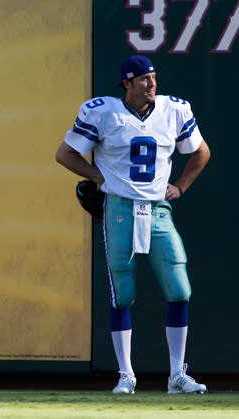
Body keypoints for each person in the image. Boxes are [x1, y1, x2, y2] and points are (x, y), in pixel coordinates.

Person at [55, 55, 210, 394]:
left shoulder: (173, 109)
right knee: (122, 294)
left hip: (157, 210)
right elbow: (65, 154)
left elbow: (201, 152)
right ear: (127, 84)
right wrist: (100, 177)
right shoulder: (104, 111)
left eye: (153, 77)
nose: (151, 83)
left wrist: (180, 186)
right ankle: (126, 374)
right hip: (121, 208)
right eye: (143, 79)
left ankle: (176, 376)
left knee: (180, 288)